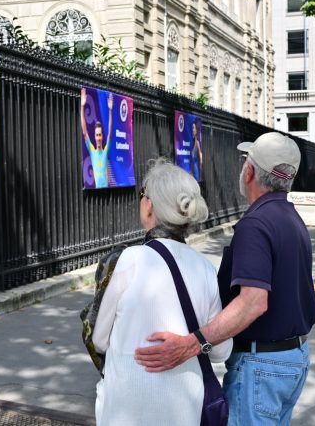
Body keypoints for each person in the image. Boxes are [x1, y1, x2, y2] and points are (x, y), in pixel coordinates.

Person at [135, 132, 315, 426]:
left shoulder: (255, 224)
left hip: (262, 367)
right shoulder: (290, 218)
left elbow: (253, 302)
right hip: (292, 359)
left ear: (249, 171)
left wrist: (191, 344)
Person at [92, 158, 233, 425]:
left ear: (150, 206)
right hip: (184, 410)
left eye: (142, 195)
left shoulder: (129, 259)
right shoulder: (204, 268)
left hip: (127, 408)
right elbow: (221, 351)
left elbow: (99, 340)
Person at [80, 88, 113, 188]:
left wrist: (110, 111)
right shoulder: (92, 151)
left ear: (102, 137)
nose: (98, 138)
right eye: (96, 135)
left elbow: (110, 134)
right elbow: (85, 132)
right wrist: (82, 106)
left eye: (100, 135)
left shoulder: (105, 151)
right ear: (94, 137)